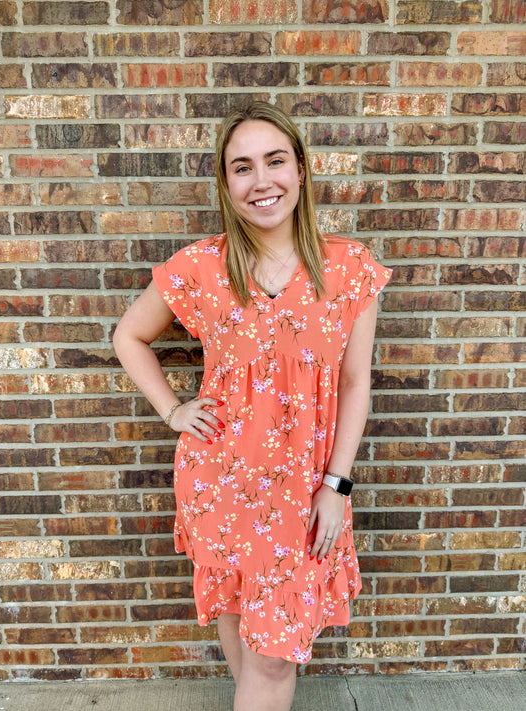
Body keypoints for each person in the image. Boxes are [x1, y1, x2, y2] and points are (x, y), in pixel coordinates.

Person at [113, 101, 392, 711]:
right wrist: (172, 410)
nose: (261, 180)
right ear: (226, 182)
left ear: (301, 170)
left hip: (303, 492)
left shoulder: (349, 269)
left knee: (272, 658)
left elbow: (354, 385)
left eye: (275, 161)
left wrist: (336, 487)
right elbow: (127, 336)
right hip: (221, 482)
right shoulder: (202, 267)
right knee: (239, 622)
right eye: (242, 167)